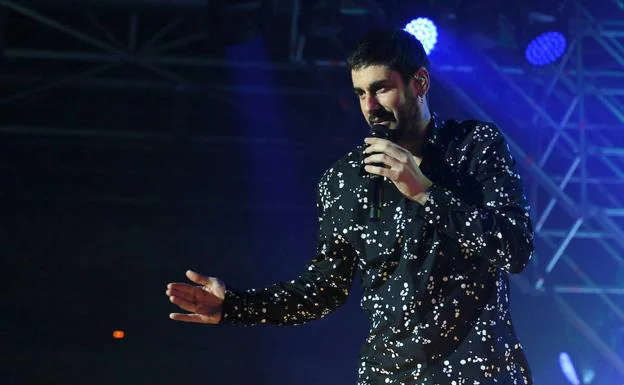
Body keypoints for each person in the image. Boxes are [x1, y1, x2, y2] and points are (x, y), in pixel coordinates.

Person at [165, 29, 534, 385]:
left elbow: (515, 249)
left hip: (481, 373)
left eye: (381, 89)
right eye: (360, 94)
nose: (370, 107)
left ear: (419, 82)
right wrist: (234, 307)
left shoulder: (474, 147)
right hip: (389, 376)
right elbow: (324, 289)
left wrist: (424, 192)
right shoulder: (343, 181)